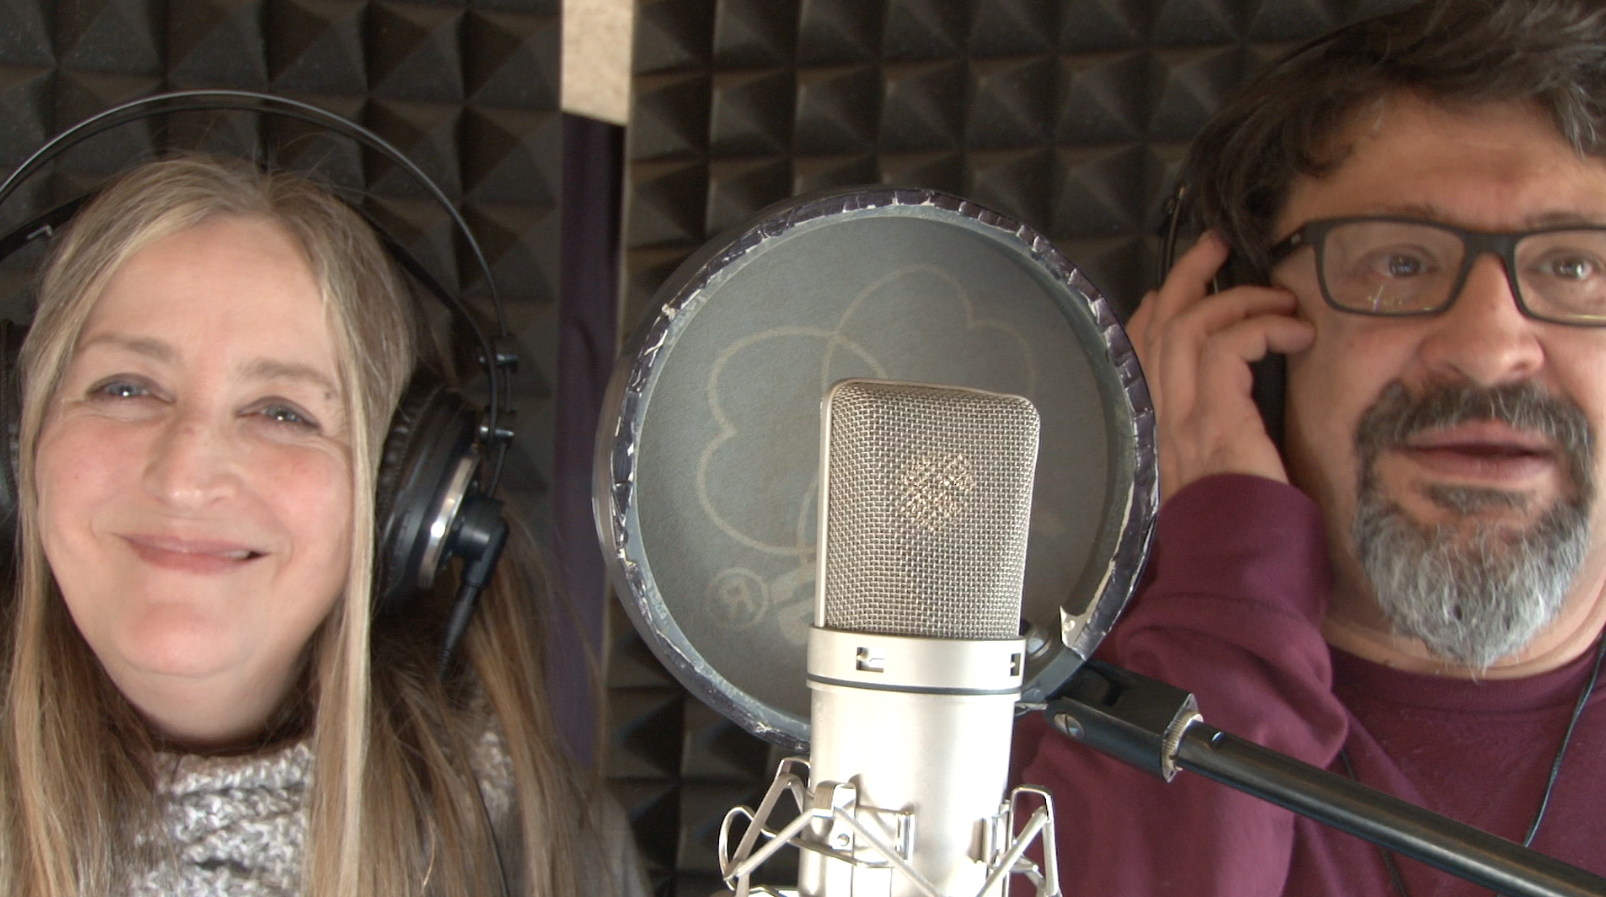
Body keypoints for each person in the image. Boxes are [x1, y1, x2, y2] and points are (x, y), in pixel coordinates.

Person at [1011, 1, 1606, 894]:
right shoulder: (1029, 711)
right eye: (1400, 263)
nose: (1489, 349)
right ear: (1241, 330)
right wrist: (1227, 605)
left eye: (1574, 266)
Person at [0, 155, 646, 896]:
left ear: (404, 500)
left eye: (283, 412)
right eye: (126, 388)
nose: (185, 477)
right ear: (21, 447)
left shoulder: (549, 854)